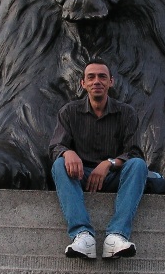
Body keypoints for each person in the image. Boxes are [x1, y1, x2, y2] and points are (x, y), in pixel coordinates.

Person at [49, 59, 148, 260]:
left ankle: (116, 236)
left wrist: (109, 163)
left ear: (111, 82)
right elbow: (55, 147)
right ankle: (82, 235)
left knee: (138, 165)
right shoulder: (69, 112)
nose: (97, 81)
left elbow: (135, 152)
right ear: (82, 83)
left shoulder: (126, 112)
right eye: (91, 77)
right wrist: (68, 152)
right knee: (59, 163)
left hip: (114, 176)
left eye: (102, 76)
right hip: (80, 175)